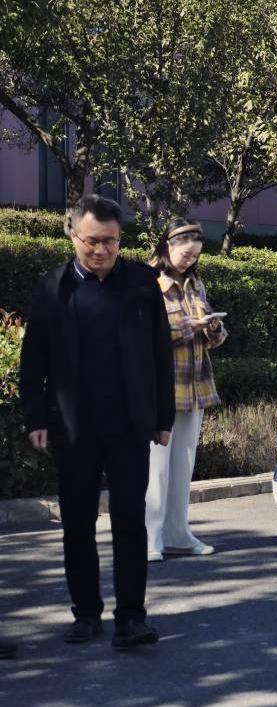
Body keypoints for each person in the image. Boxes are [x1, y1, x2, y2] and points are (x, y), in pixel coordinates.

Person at [19, 194, 175, 650]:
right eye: (92, 241)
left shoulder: (142, 283)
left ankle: (131, 618)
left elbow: (160, 354)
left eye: (110, 241)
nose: (102, 250)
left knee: (130, 520)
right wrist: (35, 416)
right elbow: (34, 358)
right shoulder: (54, 287)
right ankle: (86, 613)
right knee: (78, 522)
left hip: (129, 425)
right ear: (73, 236)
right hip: (74, 426)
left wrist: (162, 416)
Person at [146, 219, 227, 562]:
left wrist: (213, 328)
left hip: (194, 386)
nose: (190, 260)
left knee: (183, 466)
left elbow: (213, 341)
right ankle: (149, 538)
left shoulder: (196, 284)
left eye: (195, 256)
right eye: (185, 254)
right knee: (156, 468)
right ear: (168, 247)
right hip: (160, 388)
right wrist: (185, 327)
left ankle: (177, 533)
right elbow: (141, 333)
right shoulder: (149, 283)